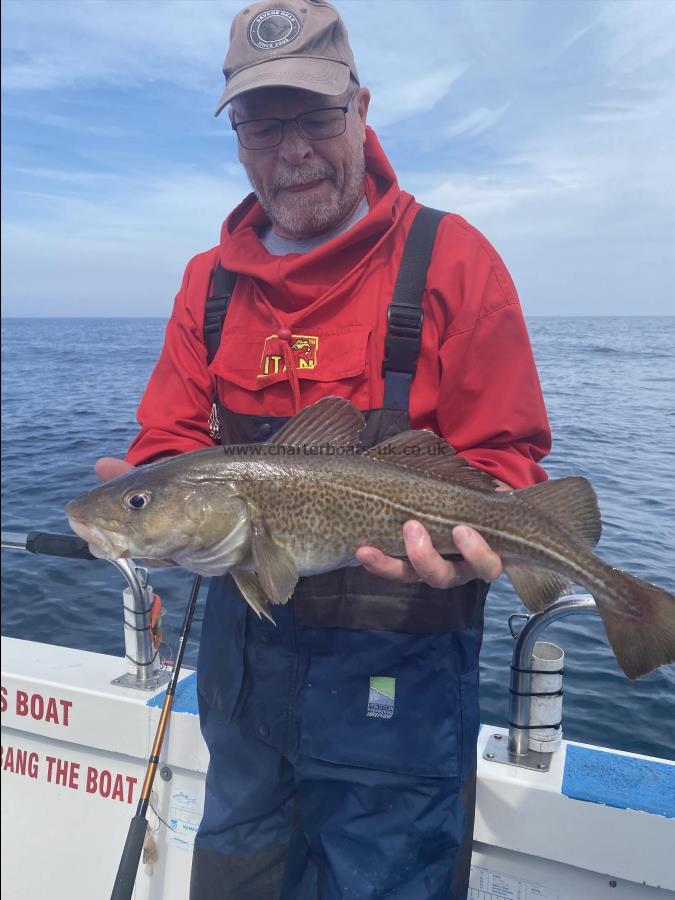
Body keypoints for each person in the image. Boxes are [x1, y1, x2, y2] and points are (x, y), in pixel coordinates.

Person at [96, 1, 550, 897]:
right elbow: (171, 441)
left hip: (401, 693)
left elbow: (504, 457)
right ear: (237, 140)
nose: (291, 149)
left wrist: (478, 543)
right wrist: (151, 505)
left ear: (362, 110)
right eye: (263, 125)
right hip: (243, 691)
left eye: (313, 117)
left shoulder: (454, 261)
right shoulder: (208, 282)